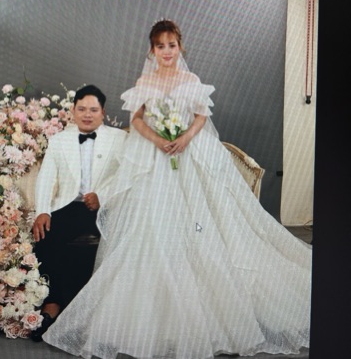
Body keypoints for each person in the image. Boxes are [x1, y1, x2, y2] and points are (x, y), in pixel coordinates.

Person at [43, 20, 312, 358]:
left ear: (180, 47)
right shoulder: (145, 82)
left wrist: (184, 137)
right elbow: (137, 119)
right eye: (160, 46)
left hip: (188, 155)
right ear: (152, 50)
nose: (166, 51)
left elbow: (200, 116)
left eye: (171, 45)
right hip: (154, 159)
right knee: (150, 230)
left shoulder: (191, 80)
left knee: (200, 227)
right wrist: (158, 139)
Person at [30, 84, 127, 342]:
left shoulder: (120, 139)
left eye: (93, 110)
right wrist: (43, 211)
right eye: (82, 109)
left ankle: (79, 315)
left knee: (93, 244)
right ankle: (52, 304)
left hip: (106, 208)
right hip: (69, 205)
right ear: (73, 111)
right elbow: (46, 176)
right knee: (45, 233)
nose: (87, 114)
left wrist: (102, 196)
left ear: (103, 112)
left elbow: (128, 175)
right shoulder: (59, 140)